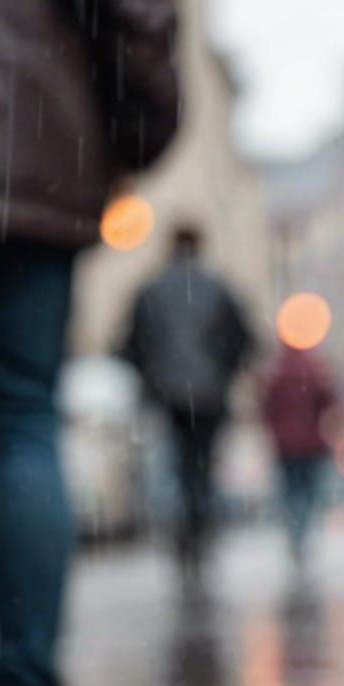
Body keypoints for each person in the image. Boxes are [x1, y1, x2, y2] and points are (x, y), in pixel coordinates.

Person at [0, 0, 179, 686]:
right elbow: (137, 20)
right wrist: (137, 130)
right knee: (22, 422)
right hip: (23, 152)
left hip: (23, 150)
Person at [121, 225, 252, 565]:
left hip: (169, 395)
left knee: (177, 463)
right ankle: (200, 527)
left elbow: (129, 344)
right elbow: (244, 339)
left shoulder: (151, 290)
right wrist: (224, 372)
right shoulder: (219, 288)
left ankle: (184, 529)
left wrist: (152, 376)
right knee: (203, 466)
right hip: (210, 395)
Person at [260, 342, 343, 562]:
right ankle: (301, 530)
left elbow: (266, 406)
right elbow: (331, 400)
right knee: (308, 491)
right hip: (311, 444)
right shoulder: (314, 369)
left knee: (291, 491)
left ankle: (295, 531)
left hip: (285, 445)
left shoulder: (277, 372)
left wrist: (274, 428)